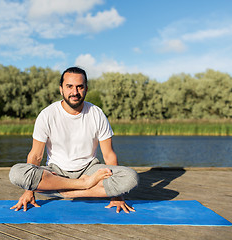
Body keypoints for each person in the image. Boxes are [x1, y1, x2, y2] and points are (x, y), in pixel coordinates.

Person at [9, 66, 139, 213]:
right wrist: (29, 192)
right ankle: (83, 186)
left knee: (130, 178)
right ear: (61, 89)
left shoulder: (96, 113)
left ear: (86, 89)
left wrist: (117, 196)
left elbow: (109, 154)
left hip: (90, 170)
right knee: (17, 173)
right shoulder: (47, 114)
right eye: (69, 86)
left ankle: (68, 192)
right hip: (56, 173)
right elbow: (36, 155)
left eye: (79, 87)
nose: (74, 92)